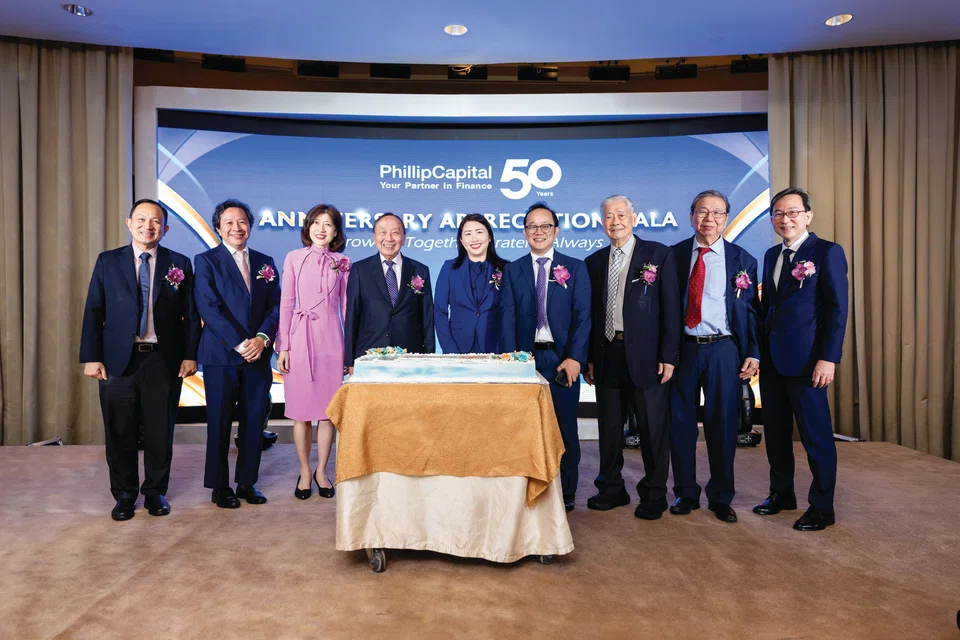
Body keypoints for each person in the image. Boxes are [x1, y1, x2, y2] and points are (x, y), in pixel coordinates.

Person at [79, 199, 200, 521]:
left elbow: (191, 316)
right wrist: (91, 358)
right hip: (119, 359)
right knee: (120, 431)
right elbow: (94, 311)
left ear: (166, 228)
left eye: (156, 221)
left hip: (163, 360)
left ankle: (155, 491)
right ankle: (123, 495)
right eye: (142, 219)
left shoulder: (180, 263)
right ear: (129, 223)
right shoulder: (108, 262)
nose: (149, 226)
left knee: (161, 431)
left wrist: (191, 355)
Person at [754, 187, 848, 531]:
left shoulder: (827, 253)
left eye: (792, 212)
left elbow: (838, 310)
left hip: (809, 362)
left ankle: (822, 507)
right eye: (778, 213)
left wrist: (828, 358)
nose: (785, 219)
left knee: (816, 437)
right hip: (773, 361)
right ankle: (781, 494)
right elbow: (770, 309)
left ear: (807, 215)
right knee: (776, 434)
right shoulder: (770, 256)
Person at [584, 195, 681, 519]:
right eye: (609, 216)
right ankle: (611, 488)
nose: (615, 221)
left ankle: (654, 494)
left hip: (647, 356)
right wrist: (589, 358)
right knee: (610, 429)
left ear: (634, 217)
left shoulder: (658, 255)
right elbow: (593, 316)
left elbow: (671, 310)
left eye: (621, 215)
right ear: (602, 222)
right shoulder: (594, 261)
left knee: (653, 429)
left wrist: (669, 355)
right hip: (607, 353)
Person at [670, 190, 760, 523]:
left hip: (724, 350)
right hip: (684, 349)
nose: (710, 219)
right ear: (691, 215)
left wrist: (753, 351)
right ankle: (685, 492)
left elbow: (751, 311)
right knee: (680, 425)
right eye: (703, 212)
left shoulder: (743, 260)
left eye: (717, 213)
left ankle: (721, 496)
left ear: (726, 218)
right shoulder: (674, 256)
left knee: (722, 424)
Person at [500, 202, 591, 512]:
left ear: (556, 230)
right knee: (524, 428)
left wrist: (576, 358)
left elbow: (583, 316)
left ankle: (566, 493)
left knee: (565, 428)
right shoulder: (513, 270)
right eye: (532, 227)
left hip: (560, 359)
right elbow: (507, 317)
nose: (538, 232)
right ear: (525, 232)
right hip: (525, 362)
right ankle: (528, 487)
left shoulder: (576, 268)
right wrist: (513, 361)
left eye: (545, 226)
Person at [194, 199, 281, 508]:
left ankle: (247, 482)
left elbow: (275, 307)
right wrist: (240, 343)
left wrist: (261, 338)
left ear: (250, 226)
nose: (236, 227)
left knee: (254, 421)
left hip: (258, 356)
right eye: (229, 222)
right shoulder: (206, 261)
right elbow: (209, 307)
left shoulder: (264, 261)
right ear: (218, 228)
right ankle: (219, 487)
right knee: (219, 423)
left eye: (242, 221)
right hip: (222, 356)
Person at [276, 204, 349, 500]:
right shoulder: (294, 258)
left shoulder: (343, 262)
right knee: (301, 413)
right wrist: (284, 345)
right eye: (316, 223)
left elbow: (346, 307)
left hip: (332, 339)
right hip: (299, 337)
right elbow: (285, 303)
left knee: (327, 414)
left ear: (335, 231)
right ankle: (305, 471)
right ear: (308, 227)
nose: (321, 229)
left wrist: (350, 351)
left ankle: (322, 471)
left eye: (328, 224)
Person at [344, 213, 434, 370]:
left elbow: (427, 319)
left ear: (404, 238)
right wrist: (350, 361)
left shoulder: (420, 270)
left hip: (411, 357)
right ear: (374, 237)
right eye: (383, 232)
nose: (389, 238)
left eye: (395, 232)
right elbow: (352, 317)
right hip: (368, 357)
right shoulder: (360, 270)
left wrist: (429, 358)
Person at [434, 214, 508, 353]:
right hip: (458, 347)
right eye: (468, 234)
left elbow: (511, 313)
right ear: (461, 240)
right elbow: (439, 312)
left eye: (479, 232)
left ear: (490, 237)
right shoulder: (449, 268)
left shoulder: (506, 268)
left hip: (496, 347)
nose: (474, 239)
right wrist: (450, 352)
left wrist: (506, 350)